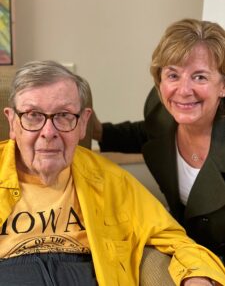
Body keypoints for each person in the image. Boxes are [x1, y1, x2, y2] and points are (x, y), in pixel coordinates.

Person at [0, 60, 224, 286]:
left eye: (64, 115)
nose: (49, 132)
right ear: (12, 121)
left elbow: (174, 239)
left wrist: (198, 276)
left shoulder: (111, 181)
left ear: (83, 123)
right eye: (33, 115)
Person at [92, 18, 225, 262]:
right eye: (173, 75)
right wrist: (99, 131)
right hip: (187, 251)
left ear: (223, 85)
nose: (184, 90)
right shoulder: (160, 112)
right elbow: (149, 133)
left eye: (200, 77)